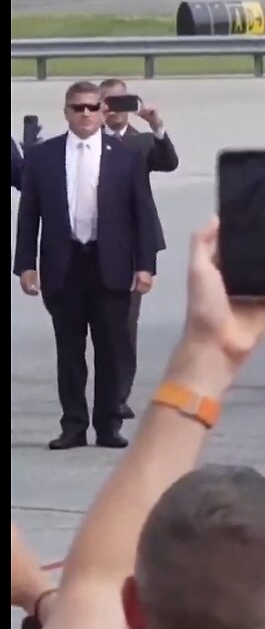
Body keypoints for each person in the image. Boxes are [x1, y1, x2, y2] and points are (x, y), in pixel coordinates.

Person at [12, 80, 160, 451]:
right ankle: (73, 425)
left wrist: (145, 266)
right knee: (70, 352)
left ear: (102, 111)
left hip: (109, 265)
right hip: (64, 266)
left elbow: (142, 215)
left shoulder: (125, 156)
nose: (86, 114)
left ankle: (108, 425)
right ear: (66, 112)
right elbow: (29, 215)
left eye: (92, 107)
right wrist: (25, 265)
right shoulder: (44, 157)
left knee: (110, 349)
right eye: (78, 108)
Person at [99, 78, 181, 420]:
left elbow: (169, 161)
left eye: (121, 102)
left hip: (130, 249)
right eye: (107, 102)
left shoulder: (141, 142)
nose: (114, 109)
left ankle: (117, 396)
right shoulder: (84, 141)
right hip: (90, 246)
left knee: (123, 328)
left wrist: (156, 125)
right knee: (92, 329)